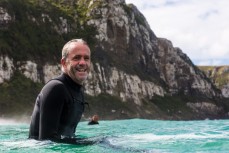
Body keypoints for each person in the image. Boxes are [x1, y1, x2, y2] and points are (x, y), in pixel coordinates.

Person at [29, 39, 92, 144]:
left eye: (86, 58)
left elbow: (66, 136)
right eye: (76, 58)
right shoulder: (56, 88)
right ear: (63, 62)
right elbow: (46, 142)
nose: (82, 62)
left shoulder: (78, 92)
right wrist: (87, 144)